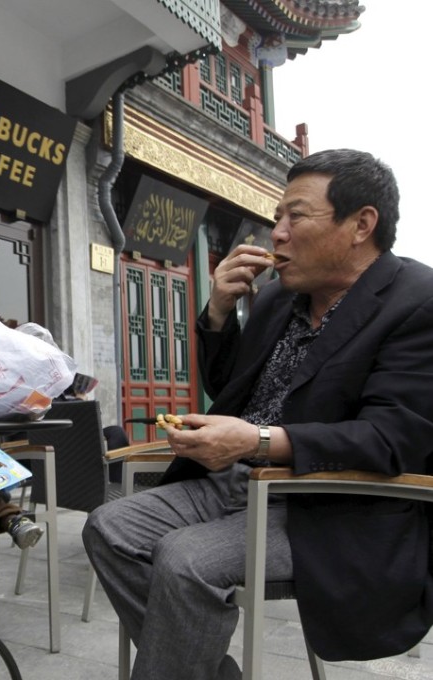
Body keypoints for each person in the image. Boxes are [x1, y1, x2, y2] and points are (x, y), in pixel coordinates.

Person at [83, 149, 433, 679]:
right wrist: (219, 313)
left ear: (361, 224)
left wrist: (258, 442)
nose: (279, 234)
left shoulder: (416, 301)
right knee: (110, 527)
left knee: (185, 560)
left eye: (296, 216)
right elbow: (233, 391)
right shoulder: (275, 300)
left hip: (328, 504)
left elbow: (391, 439)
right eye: (277, 218)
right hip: (233, 483)